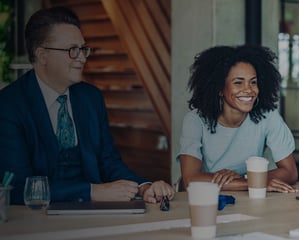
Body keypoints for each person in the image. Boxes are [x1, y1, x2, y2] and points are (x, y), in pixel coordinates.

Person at [0, 7, 174, 205]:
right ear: (42, 55)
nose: (82, 57)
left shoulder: (91, 97)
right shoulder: (8, 105)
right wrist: (92, 191)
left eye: (83, 49)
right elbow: (16, 188)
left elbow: (109, 163)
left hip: (94, 213)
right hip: (37, 222)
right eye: (73, 50)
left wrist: (144, 187)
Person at [178, 45, 298, 193]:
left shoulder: (268, 116)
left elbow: (290, 172)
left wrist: (245, 179)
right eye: (238, 82)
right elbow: (190, 180)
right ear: (220, 88)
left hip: (247, 200)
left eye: (253, 82)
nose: (248, 90)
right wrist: (255, 183)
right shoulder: (195, 120)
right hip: (204, 199)